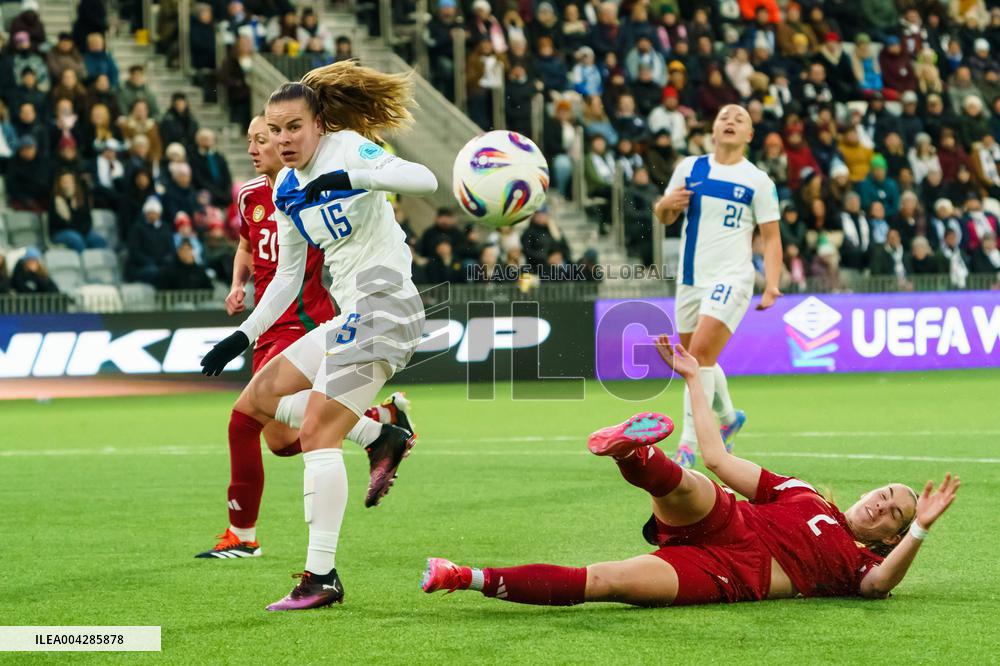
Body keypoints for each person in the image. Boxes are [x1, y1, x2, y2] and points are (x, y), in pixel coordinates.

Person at [422, 338, 961, 608]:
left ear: (891, 536)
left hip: (728, 575)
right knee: (689, 482)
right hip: (732, 523)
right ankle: (630, 453)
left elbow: (878, 586)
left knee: (606, 582)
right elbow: (720, 458)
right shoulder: (802, 493)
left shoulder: (862, 563)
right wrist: (694, 379)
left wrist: (921, 530)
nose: (880, 503)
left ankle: (464, 575)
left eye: (894, 514)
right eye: (885, 493)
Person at [198, 62, 437, 610]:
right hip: (350, 315)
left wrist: (352, 177)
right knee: (258, 399)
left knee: (315, 435)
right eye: (274, 130)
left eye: (293, 128)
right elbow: (286, 276)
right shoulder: (284, 186)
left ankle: (321, 577)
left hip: (386, 306)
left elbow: (424, 180)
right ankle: (381, 434)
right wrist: (244, 335)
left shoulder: (349, 148)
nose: (283, 140)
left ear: (319, 124)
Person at [653, 104, 782, 468]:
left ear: (749, 135)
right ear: (712, 129)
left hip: (733, 277)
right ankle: (728, 419)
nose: (730, 121)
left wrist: (771, 283)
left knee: (697, 358)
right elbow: (664, 217)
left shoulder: (757, 181)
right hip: (690, 279)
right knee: (698, 357)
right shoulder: (689, 168)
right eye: (723, 116)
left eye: (739, 119)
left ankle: (688, 445)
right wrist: (665, 204)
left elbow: (771, 237)